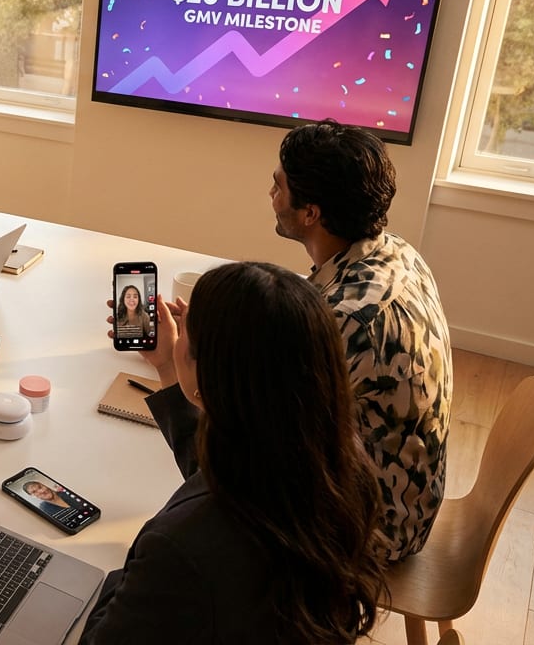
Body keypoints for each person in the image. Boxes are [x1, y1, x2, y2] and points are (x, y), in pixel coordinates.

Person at [81, 262, 387, 643]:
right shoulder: (335, 465)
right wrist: (168, 367)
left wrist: (121, 575)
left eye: (188, 335)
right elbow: (224, 476)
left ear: (213, 374)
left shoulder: (177, 549)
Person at [272, 119, 452, 560]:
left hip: (375, 528)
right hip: (409, 496)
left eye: (277, 186)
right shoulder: (396, 252)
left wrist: (183, 373)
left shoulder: (349, 320)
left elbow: (270, 436)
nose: (271, 196)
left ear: (310, 213)